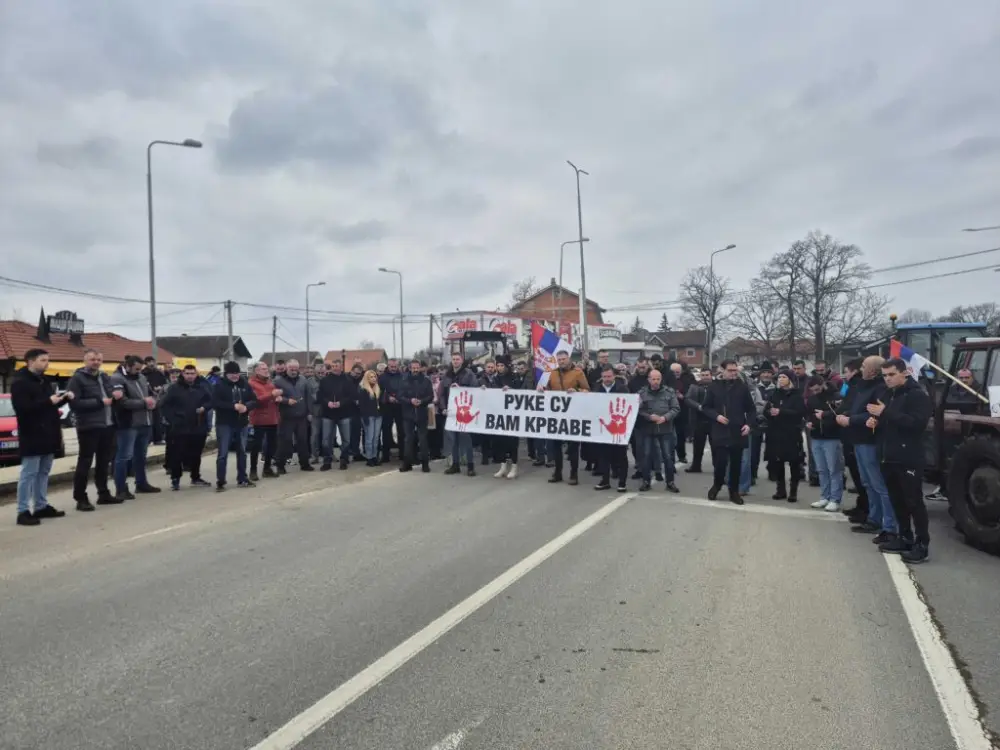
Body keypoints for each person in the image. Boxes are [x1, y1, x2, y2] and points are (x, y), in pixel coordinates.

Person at [869, 357, 934, 563]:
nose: (887, 379)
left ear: (904, 373)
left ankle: (922, 544)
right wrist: (876, 421)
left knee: (913, 501)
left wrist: (885, 412)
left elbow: (915, 423)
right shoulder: (889, 394)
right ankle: (904, 537)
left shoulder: (917, 395)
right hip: (889, 456)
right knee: (898, 500)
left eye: (891, 375)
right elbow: (889, 422)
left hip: (909, 456)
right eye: (884, 375)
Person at [839, 356, 897, 543]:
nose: (860, 369)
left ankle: (888, 524)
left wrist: (851, 420)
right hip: (859, 439)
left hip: (870, 440)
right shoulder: (863, 386)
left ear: (873, 370)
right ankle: (874, 518)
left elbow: (873, 412)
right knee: (867, 483)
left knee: (879, 485)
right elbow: (858, 408)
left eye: (864, 367)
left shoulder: (879, 388)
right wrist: (847, 414)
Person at [11, 348, 69, 525]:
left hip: (48, 433)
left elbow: (48, 406)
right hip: (32, 433)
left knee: (43, 472)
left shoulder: (43, 380)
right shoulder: (20, 382)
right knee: (29, 473)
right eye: (43, 360)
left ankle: (41, 505)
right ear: (30, 361)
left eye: (47, 360)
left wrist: (64, 399)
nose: (46, 363)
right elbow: (23, 408)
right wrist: (48, 401)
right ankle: (22, 511)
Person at [67, 348, 119, 509]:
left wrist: (116, 396)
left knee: (104, 462)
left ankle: (103, 493)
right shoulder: (77, 379)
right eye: (92, 359)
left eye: (98, 360)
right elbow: (74, 404)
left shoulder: (104, 376)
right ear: (85, 360)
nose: (96, 362)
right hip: (89, 426)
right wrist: (99, 402)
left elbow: (110, 395)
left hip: (108, 424)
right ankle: (80, 498)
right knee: (85, 462)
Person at [700, 359, 755, 505]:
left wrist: (748, 424)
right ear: (722, 370)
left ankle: (734, 491)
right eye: (730, 370)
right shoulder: (714, 387)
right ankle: (717, 485)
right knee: (720, 462)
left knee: (736, 463)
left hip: (737, 430)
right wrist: (716, 416)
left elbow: (751, 409)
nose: (733, 373)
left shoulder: (742, 387)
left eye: (735, 370)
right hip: (720, 430)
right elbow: (705, 407)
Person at [109, 355, 161, 500]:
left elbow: (151, 394)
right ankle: (121, 488)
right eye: (136, 369)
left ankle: (141, 483)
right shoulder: (117, 379)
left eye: (140, 369)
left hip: (145, 422)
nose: (138, 371)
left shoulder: (142, 378)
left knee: (141, 456)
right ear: (128, 366)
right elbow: (122, 403)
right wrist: (144, 403)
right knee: (124, 457)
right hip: (128, 424)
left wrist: (154, 400)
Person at [539, 351, 590, 485]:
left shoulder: (578, 372)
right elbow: (546, 389)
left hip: (573, 415)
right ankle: (557, 472)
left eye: (563, 359)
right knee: (556, 446)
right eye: (559, 359)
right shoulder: (552, 373)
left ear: (569, 359)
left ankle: (574, 474)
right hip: (556, 415)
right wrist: (541, 389)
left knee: (573, 447)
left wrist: (577, 392)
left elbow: (588, 391)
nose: (561, 361)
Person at [159, 364, 212, 490]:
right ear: (183, 374)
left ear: (196, 374)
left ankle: (195, 476)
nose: (190, 376)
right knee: (177, 453)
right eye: (187, 373)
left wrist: (204, 408)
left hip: (198, 425)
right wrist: (173, 419)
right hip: (179, 427)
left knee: (196, 454)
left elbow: (210, 401)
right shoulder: (174, 388)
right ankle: (175, 478)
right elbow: (164, 405)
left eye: (192, 373)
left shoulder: (201, 387)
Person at [212, 361, 258, 491]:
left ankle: (242, 478)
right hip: (224, 424)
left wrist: (246, 407)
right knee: (223, 454)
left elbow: (254, 400)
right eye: (231, 373)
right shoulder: (219, 385)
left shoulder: (244, 384)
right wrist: (233, 406)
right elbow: (215, 402)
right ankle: (221, 481)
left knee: (242, 452)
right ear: (226, 374)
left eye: (236, 373)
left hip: (241, 423)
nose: (234, 376)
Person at [636, 367, 681, 493]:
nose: (655, 381)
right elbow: (637, 410)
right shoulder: (642, 393)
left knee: (667, 456)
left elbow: (676, 408)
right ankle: (646, 481)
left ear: (661, 379)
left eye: (658, 379)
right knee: (646, 456)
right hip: (648, 429)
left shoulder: (669, 392)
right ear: (649, 379)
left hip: (665, 429)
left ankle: (670, 482)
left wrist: (665, 418)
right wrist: (649, 417)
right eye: (653, 379)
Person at [764, 371, 805, 502]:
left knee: (794, 462)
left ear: (790, 380)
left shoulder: (797, 395)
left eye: (784, 377)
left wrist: (781, 412)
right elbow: (766, 410)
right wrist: (770, 412)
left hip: (791, 432)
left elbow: (799, 412)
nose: (781, 379)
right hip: (776, 432)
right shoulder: (774, 394)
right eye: (779, 377)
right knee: (778, 462)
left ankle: (793, 491)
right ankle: (780, 490)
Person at [837, 359, 870, 522]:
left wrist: (842, 414)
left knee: (861, 475)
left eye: (847, 371)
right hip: (851, 432)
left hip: (855, 433)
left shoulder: (857, 386)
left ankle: (866, 508)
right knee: (859, 475)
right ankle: (862, 505)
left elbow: (850, 407)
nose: (846, 374)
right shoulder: (854, 386)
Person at [805, 374, 844, 511]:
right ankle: (824, 496)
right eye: (812, 390)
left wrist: (825, 416)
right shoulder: (811, 399)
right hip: (816, 436)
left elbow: (839, 414)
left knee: (834, 469)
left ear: (823, 384)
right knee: (821, 469)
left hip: (832, 437)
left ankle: (835, 498)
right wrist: (809, 423)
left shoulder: (836, 396)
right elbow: (809, 414)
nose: (815, 392)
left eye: (817, 389)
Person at [440, 353, 479, 476]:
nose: (455, 361)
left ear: (462, 361)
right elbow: (441, 393)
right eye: (453, 359)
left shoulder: (469, 374)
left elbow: (475, 389)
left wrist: (460, 387)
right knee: (453, 440)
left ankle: (470, 466)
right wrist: (443, 408)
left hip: (464, 411)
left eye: (458, 359)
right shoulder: (447, 375)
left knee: (466, 439)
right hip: (451, 412)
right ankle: (455, 465)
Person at [273, 359, 314, 474]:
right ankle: (280, 465)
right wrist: (286, 401)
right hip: (286, 417)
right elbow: (275, 397)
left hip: (301, 417)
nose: (294, 371)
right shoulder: (278, 381)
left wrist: (310, 412)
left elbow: (308, 397)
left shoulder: (303, 380)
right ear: (286, 368)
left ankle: (305, 464)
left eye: (296, 368)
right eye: (291, 368)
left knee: (302, 441)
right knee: (284, 442)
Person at [318, 358, 357, 471]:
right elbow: (320, 396)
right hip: (328, 413)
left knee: (346, 439)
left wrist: (341, 403)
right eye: (333, 366)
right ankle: (327, 460)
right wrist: (327, 403)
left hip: (344, 413)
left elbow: (352, 396)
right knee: (326, 440)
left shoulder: (348, 380)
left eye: (337, 366)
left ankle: (344, 459)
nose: (335, 368)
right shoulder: (324, 380)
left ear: (341, 367)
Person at [489, 355, 523, 479]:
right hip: (499, 414)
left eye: (501, 365)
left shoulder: (514, 377)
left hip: (512, 415)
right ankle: (503, 466)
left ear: (506, 366)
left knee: (512, 442)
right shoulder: (495, 378)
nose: (499, 368)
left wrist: (511, 390)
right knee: (500, 441)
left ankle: (514, 466)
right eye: (498, 365)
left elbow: (522, 392)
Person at [398, 359, 433, 473]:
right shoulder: (403, 380)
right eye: (413, 368)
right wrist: (410, 400)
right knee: (408, 439)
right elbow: (400, 396)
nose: (415, 370)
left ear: (420, 367)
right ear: (410, 368)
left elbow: (430, 396)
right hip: (408, 414)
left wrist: (422, 401)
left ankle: (425, 464)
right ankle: (407, 463)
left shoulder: (426, 381)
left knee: (423, 440)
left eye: (417, 367)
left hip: (422, 413)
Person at [247, 361, 280, 481]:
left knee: (272, 445)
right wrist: (272, 395)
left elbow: (272, 398)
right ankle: (253, 471)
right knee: (256, 446)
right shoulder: (251, 384)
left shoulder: (270, 383)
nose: (266, 370)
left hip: (272, 418)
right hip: (259, 419)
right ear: (256, 371)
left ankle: (267, 469)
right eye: (263, 369)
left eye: (266, 368)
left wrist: (277, 398)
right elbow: (256, 400)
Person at [684, 368, 714, 474]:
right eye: (703, 375)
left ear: (711, 375)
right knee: (698, 446)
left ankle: (718, 468)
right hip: (698, 419)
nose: (705, 377)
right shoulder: (694, 386)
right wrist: (698, 406)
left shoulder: (717, 386)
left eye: (707, 375)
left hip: (713, 420)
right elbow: (687, 399)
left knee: (715, 446)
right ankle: (696, 466)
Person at [379, 359, 405, 463]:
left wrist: (400, 397)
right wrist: (387, 398)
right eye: (391, 367)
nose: (393, 369)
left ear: (398, 366)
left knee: (402, 431)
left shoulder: (403, 376)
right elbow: (378, 392)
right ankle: (385, 455)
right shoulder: (382, 378)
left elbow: (406, 390)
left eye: (395, 367)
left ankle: (403, 454)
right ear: (388, 366)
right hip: (387, 406)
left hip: (400, 406)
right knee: (386, 431)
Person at [358, 369, 384, 466]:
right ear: (367, 378)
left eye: (374, 377)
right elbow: (362, 405)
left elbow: (380, 403)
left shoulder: (378, 388)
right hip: (368, 416)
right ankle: (369, 457)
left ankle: (374, 457)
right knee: (369, 437)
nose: (373, 379)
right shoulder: (363, 389)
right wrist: (364, 417)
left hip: (378, 416)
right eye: (371, 377)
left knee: (376, 438)